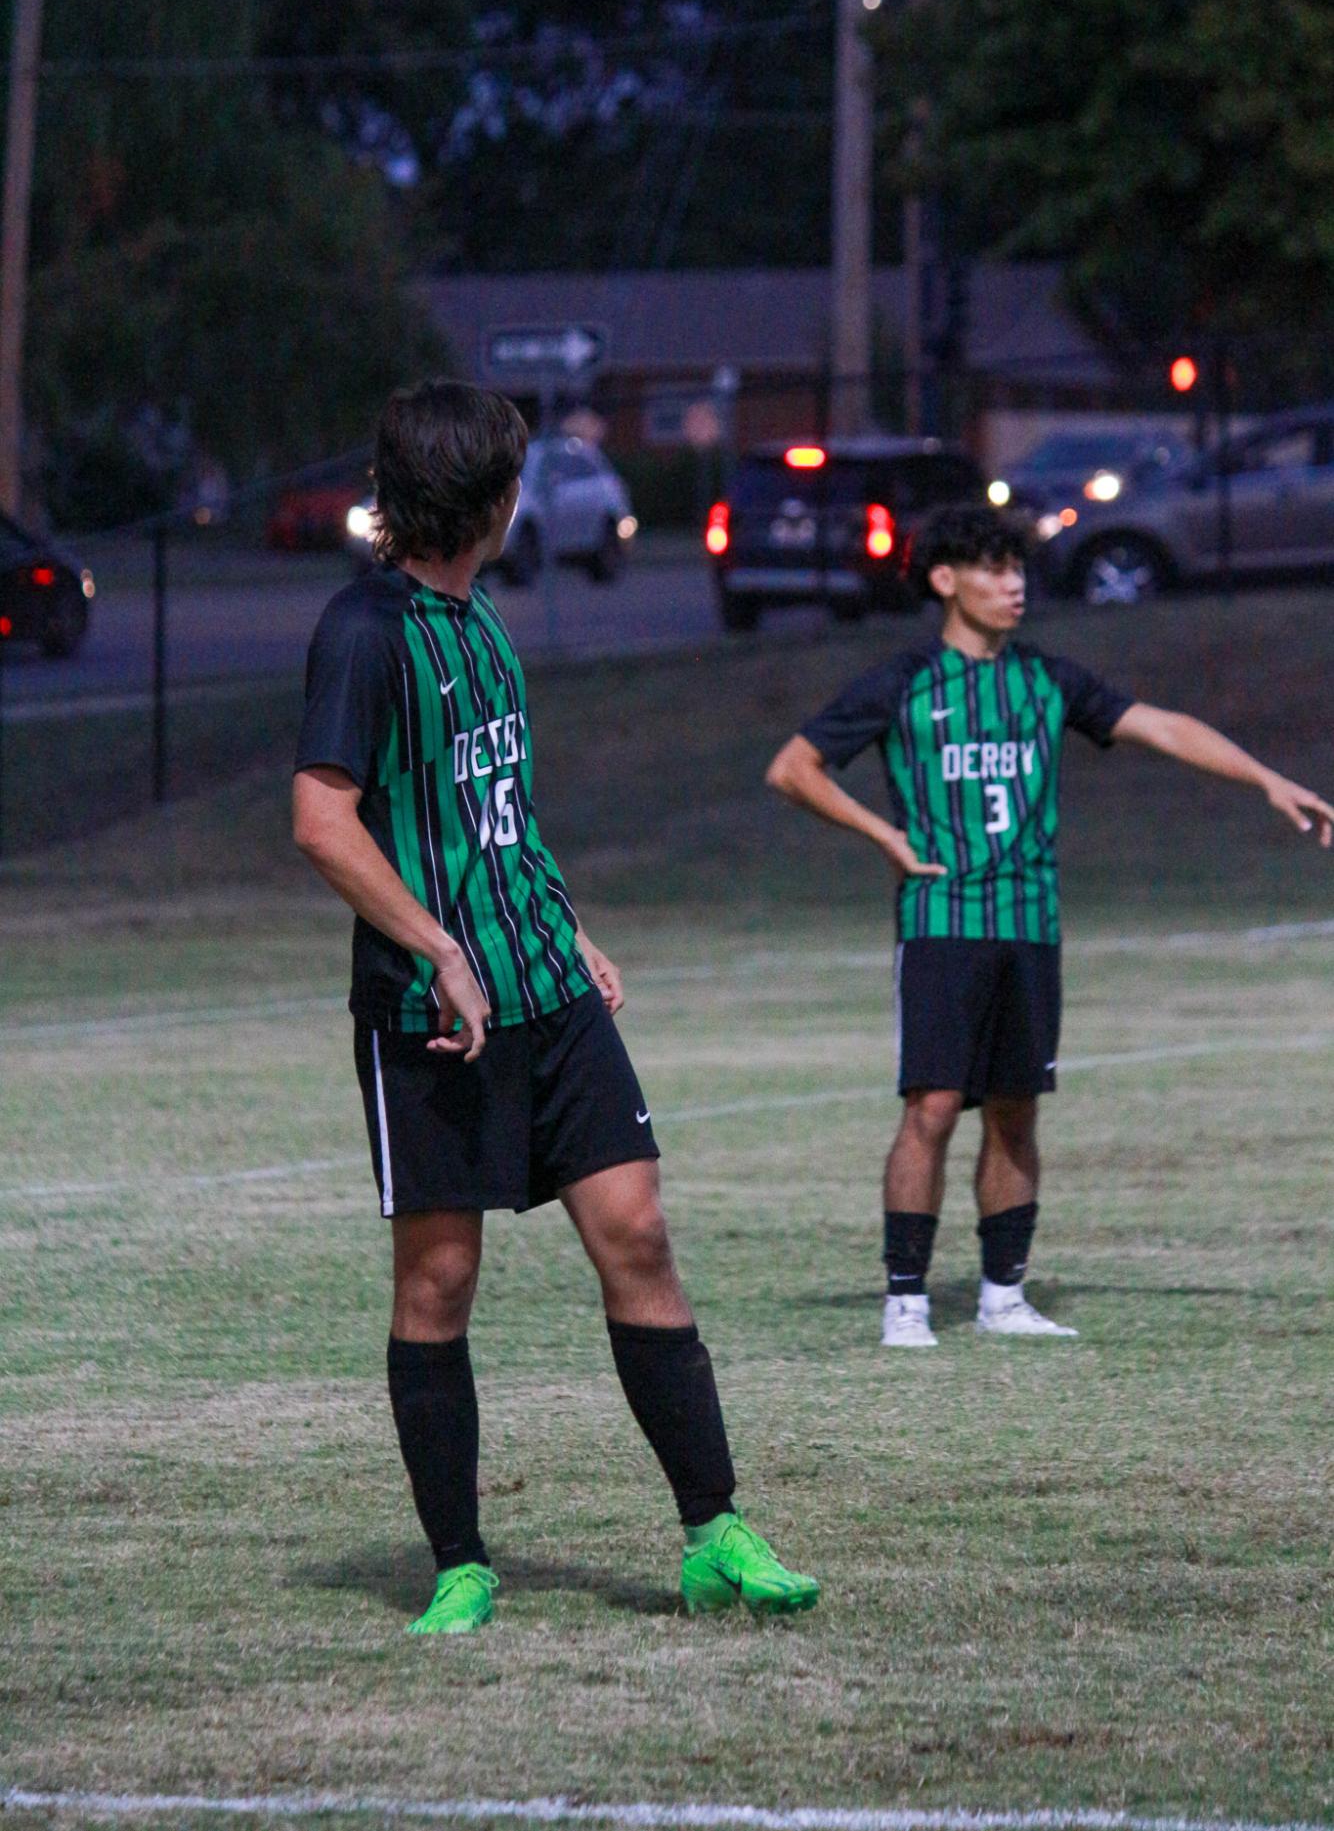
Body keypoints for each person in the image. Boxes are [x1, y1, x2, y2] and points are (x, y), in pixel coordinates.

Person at [293, 379, 818, 1632]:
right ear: (490, 497)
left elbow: (496, 818)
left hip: (545, 990)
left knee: (636, 1234)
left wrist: (564, 929)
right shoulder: (365, 632)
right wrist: (439, 947)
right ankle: (461, 1563)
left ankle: (713, 1535)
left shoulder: (483, 626)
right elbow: (322, 823)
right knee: (438, 1281)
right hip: (434, 1011)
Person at [766, 504, 1333, 1349]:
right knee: (932, 1105)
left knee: (1017, 1111)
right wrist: (884, 833)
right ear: (945, 579)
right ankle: (906, 1303)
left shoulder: (1047, 680)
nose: (1014, 583)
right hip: (943, 921)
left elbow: (1162, 725)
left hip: (1031, 923)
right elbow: (792, 766)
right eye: (994, 569)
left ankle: (1003, 1296)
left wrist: (1264, 779)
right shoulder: (907, 682)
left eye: (1019, 569)